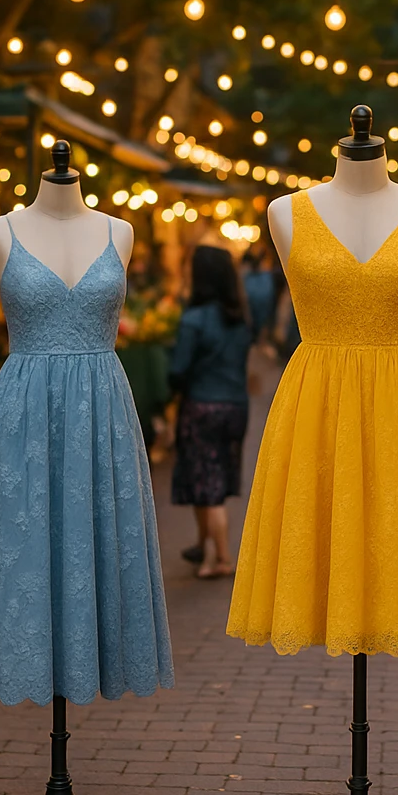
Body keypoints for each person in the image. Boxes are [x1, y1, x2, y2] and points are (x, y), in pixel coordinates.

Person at [170, 245, 254, 578]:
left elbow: (178, 368)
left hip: (201, 405)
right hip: (235, 405)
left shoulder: (193, 320)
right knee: (216, 479)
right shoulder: (241, 320)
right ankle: (203, 545)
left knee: (207, 485)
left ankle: (220, 557)